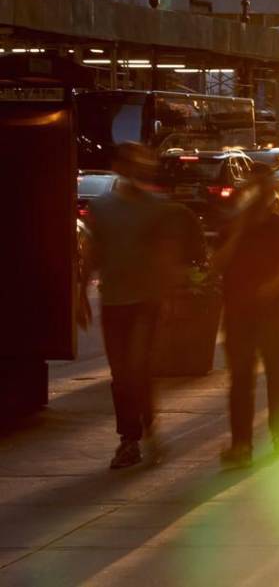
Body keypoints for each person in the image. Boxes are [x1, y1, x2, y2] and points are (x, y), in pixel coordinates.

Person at [82, 143, 185, 469]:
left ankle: (146, 429)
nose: (135, 167)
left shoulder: (155, 208)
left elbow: (167, 255)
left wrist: (168, 296)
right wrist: (80, 293)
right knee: (122, 374)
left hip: (146, 301)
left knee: (139, 369)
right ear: (119, 166)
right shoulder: (103, 208)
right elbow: (93, 254)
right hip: (114, 301)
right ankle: (130, 437)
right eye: (128, 162)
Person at [211, 165, 279, 468]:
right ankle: (241, 445)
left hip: (275, 314)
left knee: (277, 374)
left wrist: (271, 287)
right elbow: (217, 264)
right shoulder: (233, 227)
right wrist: (238, 230)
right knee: (240, 379)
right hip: (239, 314)